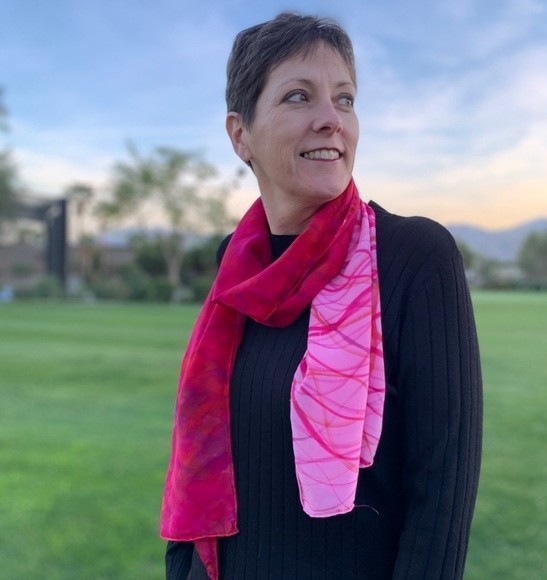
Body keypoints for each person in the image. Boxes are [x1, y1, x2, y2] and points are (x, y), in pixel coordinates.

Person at [161, 12, 482, 580]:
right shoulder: (235, 263)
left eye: (345, 99)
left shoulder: (414, 257)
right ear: (240, 135)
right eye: (298, 96)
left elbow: (441, 498)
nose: (331, 119)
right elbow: (203, 456)